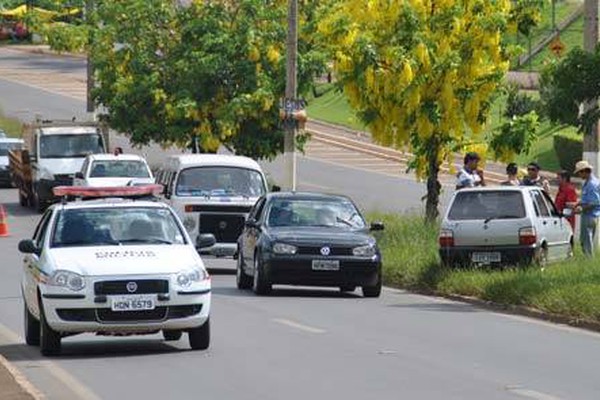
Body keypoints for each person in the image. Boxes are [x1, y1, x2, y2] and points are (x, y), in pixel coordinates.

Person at [572, 161, 600, 256]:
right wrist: (578, 203)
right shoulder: (590, 182)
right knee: (586, 240)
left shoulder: (591, 184)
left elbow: (594, 202)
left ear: (584, 171)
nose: (579, 175)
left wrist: (581, 209)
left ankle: (588, 261)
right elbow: (586, 198)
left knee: (586, 242)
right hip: (590, 216)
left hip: (589, 215)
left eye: (579, 172)